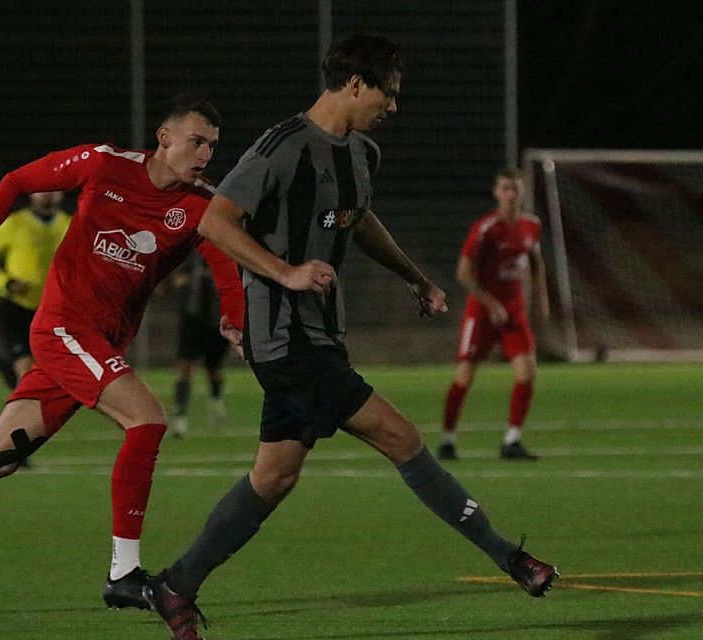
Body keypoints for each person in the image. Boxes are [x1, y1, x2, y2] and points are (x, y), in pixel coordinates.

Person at [140, 33, 559, 640]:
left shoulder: (363, 153)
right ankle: (512, 559)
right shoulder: (282, 147)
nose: (394, 106)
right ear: (356, 84)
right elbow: (215, 220)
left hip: (320, 337)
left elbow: (359, 221)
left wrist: (415, 277)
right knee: (402, 438)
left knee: (273, 478)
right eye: (389, 93)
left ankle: (175, 586)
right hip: (285, 341)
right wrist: (285, 271)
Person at [0, 95, 244, 611]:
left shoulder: (201, 204)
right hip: (63, 327)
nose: (205, 154)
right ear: (164, 138)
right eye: (196, 141)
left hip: (99, 342)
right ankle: (123, 574)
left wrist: (233, 316)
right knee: (147, 419)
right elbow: (16, 181)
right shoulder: (104, 164)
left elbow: (225, 261)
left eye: (212, 146)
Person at [437, 168, 550, 462]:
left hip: (514, 313)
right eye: (505, 189)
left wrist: (541, 300)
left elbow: (536, 262)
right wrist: (491, 303)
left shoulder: (531, 226)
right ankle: (447, 440)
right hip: (482, 313)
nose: (511, 194)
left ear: (522, 192)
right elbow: (463, 273)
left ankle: (512, 440)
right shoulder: (486, 228)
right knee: (464, 376)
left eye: (515, 189)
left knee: (527, 372)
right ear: (497, 193)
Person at [0, 190, 71, 391]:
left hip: (53, 311)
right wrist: (5, 282)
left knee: (45, 376)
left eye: (54, 189)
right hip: (17, 307)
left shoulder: (70, 225)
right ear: (32, 193)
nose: (47, 195)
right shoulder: (16, 223)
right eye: (42, 190)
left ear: (61, 194)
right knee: (27, 377)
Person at [170, 252, 232, 437]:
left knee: (214, 369)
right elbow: (176, 279)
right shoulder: (191, 255)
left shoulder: (224, 251)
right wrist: (187, 279)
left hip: (216, 319)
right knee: (185, 368)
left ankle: (216, 403)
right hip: (192, 319)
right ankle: (180, 418)